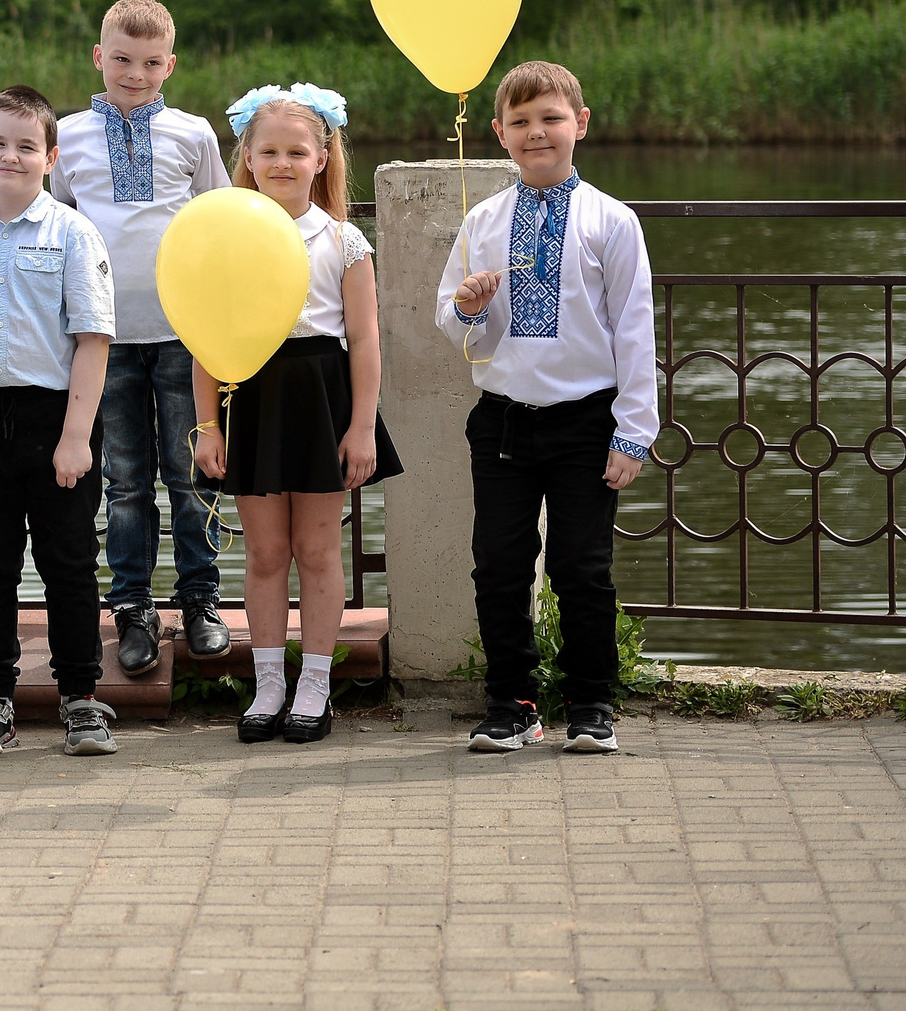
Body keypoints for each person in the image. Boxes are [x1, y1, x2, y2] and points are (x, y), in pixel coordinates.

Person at [436, 60, 655, 756]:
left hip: (587, 421)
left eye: (551, 118)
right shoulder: (482, 220)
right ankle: (512, 704)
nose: (537, 132)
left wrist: (633, 433)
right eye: (521, 121)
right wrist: (468, 308)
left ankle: (591, 703)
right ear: (498, 132)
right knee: (499, 564)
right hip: (503, 419)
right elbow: (460, 327)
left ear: (580, 124)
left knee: (580, 566)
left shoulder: (612, 221)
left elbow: (635, 330)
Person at [193, 86, 402, 745]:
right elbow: (205, 338)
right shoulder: (225, 237)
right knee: (264, 552)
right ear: (248, 158)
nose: (282, 163)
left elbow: (364, 339)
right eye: (269, 152)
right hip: (251, 396)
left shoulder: (343, 239)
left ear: (322, 158)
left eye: (296, 151)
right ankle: (267, 684)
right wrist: (207, 425)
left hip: (319, 398)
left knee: (315, 549)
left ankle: (314, 682)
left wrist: (361, 425)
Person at [47, 0, 234, 678]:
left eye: (151, 63)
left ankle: (201, 599)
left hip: (184, 336)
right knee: (125, 481)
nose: (135, 73)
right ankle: (132, 606)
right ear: (99, 56)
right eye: (122, 59)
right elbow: (56, 228)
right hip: (105, 339)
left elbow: (219, 222)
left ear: (170, 65)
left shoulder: (194, 134)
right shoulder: (67, 137)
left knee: (191, 474)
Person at [0, 86, 120, 760]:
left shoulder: (72, 233)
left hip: (56, 417)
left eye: (26, 146)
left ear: (51, 157)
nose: (9, 156)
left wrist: (76, 438)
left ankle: (81, 697)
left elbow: (93, 340)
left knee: (68, 560)